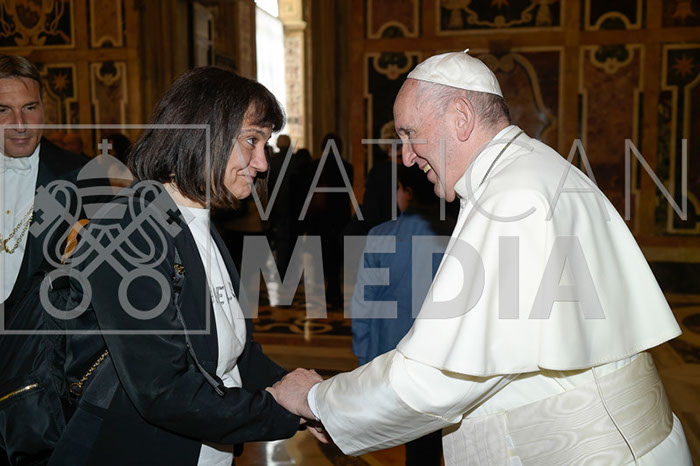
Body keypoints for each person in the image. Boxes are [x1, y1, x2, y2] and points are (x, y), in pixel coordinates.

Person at [267, 51, 692, 465]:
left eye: (410, 133)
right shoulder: (533, 169)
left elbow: (438, 377)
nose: (407, 156)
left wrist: (317, 399)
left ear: (461, 116)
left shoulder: (512, 199)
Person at [49, 67, 322, 465]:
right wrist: (280, 411)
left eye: (264, 144)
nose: (262, 163)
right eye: (252, 140)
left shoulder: (197, 221)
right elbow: (162, 390)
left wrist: (307, 396)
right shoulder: (126, 230)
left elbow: (235, 354)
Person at [0, 53, 91, 466]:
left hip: (45, 381)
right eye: (3, 110)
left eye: (29, 107)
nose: (20, 123)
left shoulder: (81, 178)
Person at [351, 163, 454, 465]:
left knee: (417, 447)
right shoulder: (458, 234)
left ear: (407, 192)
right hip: (447, 361)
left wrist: (364, 363)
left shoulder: (380, 236)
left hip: (394, 361)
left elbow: (364, 307)